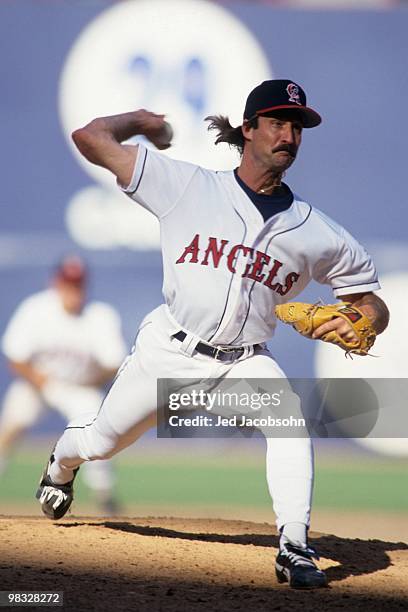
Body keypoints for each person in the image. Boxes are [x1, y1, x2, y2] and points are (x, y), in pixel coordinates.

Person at [36, 80, 389, 588]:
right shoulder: (187, 185)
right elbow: (90, 137)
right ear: (247, 129)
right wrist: (140, 120)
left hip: (242, 363)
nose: (288, 134)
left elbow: (371, 304)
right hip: (168, 348)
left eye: (296, 126)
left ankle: (293, 547)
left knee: (289, 423)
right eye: (276, 122)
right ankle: (61, 465)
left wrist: (363, 322)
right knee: (102, 441)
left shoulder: (320, 233)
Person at [0, 255, 127, 514]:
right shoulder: (36, 309)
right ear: (56, 283)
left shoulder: (99, 316)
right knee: (10, 426)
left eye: (78, 284)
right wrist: (41, 381)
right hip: (38, 383)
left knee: (95, 428)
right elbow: (15, 357)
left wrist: (87, 382)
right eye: (68, 283)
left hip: (79, 387)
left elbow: (113, 363)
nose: (73, 290)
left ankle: (105, 496)